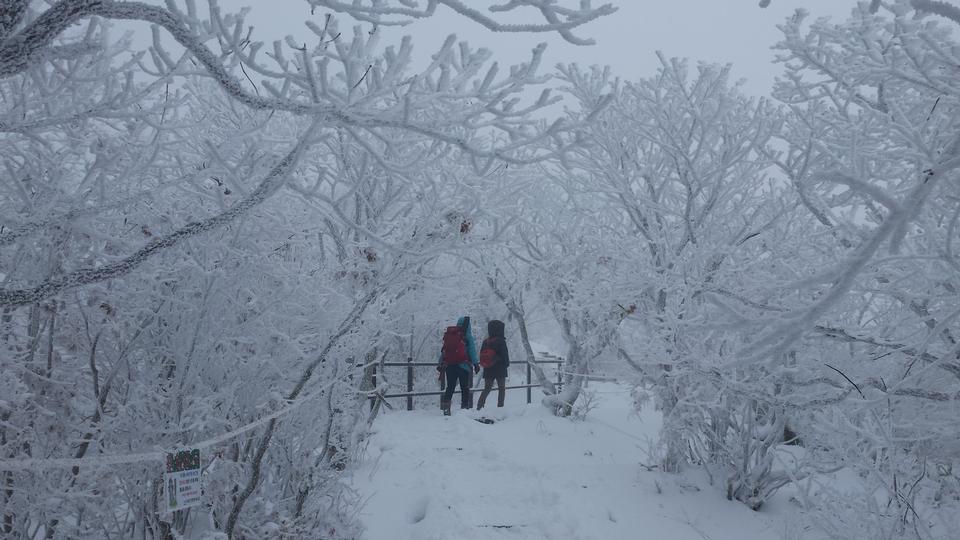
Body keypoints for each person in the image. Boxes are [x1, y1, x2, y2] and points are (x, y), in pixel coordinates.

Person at [437, 316, 479, 415]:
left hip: (450, 365)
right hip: (463, 366)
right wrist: (476, 364)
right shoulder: (467, 336)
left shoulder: (451, 335)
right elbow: (472, 351)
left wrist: (440, 363)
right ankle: (464, 409)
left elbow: (444, 350)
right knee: (464, 387)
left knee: (450, 386)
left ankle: (446, 408)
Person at [476, 319, 509, 410]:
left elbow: (481, 354)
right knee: (501, 388)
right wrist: (506, 364)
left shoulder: (486, 341)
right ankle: (500, 407)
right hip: (500, 368)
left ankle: (479, 406)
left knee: (487, 388)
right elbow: (505, 355)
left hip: (488, 368)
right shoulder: (501, 341)